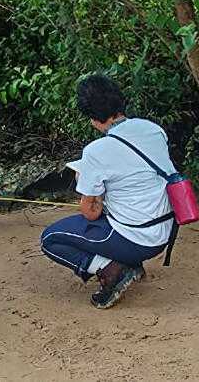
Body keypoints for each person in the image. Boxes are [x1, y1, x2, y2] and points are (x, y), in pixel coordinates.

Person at [40, 75, 176, 309]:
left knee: (50, 239)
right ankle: (125, 261)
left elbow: (91, 212)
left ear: (92, 117)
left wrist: (88, 185)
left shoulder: (97, 151)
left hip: (136, 237)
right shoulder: (154, 130)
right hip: (164, 231)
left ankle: (112, 268)